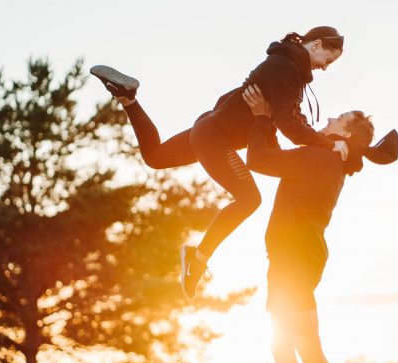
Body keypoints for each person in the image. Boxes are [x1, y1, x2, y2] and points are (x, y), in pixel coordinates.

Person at [89, 26, 349, 298]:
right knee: (250, 199)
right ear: (317, 44)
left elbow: (281, 118)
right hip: (215, 137)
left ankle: (128, 98)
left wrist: (246, 121)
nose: (325, 68)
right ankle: (197, 259)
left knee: (155, 157)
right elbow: (287, 123)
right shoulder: (288, 69)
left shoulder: (285, 67)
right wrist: (328, 143)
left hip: (212, 128)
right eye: (328, 60)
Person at [240, 83, 398, 363]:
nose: (327, 118)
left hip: (295, 259)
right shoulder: (328, 156)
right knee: (283, 346)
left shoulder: (320, 159)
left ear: (344, 134)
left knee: (307, 347)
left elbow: (260, 160)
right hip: (289, 258)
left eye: (337, 118)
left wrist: (263, 118)